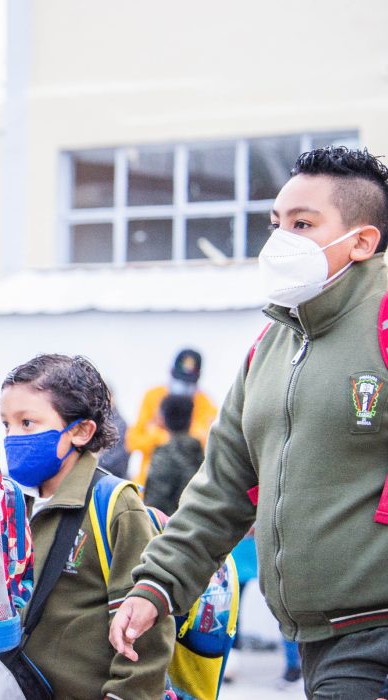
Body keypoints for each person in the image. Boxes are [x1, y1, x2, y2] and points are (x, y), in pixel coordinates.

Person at [110, 146, 388, 698]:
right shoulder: (270, 347)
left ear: (361, 240)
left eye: (302, 224)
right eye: (276, 223)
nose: (280, 239)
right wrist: (157, 586)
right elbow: (221, 489)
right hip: (316, 637)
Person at [0, 354, 174, 699]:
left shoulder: (115, 507)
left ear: (80, 431)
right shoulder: (10, 504)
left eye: (28, 423)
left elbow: (146, 631)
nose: (12, 437)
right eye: (6, 424)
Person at [126, 348, 218, 486]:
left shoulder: (205, 404)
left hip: (186, 485)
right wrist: (160, 437)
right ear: (171, 373)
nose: (182, 386)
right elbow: (133, 441)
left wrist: (159, 432)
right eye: (178, 380)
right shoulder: (153, 396)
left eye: (188, 383)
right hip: (149, 484)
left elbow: (205, 446)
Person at [142, 394, 202, 517]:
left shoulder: (164, 455)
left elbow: (154, 504)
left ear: (164, 419)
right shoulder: (199, 451)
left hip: (170, 528)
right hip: (196, 526)